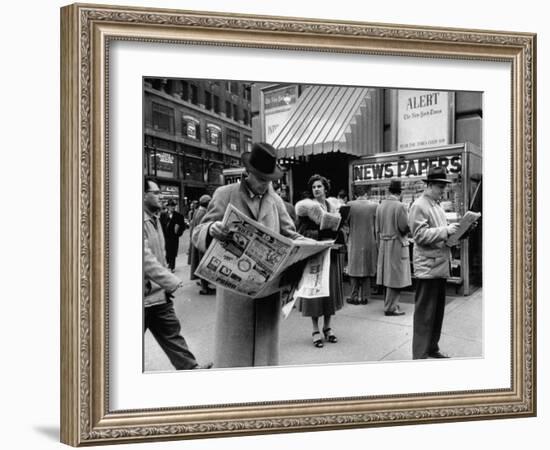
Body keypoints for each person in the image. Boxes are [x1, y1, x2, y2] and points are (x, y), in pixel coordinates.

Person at [192, 143, 301, 368]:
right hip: (235, 292)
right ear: (249, 173)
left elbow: (291, 235)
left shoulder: (276, 200)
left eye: (269, 180)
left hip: (267, 291)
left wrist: (308, 246)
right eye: (261, 180)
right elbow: (198, 231)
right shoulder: (225, 194)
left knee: (264, 359)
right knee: (234, 357)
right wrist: (211, 228)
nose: (265, 186)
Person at [143, 178, 212, 370]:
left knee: (172, 333)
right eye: (155, 193)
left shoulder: (154, 218)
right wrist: (171, 280)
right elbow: (143, 258)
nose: (160, 196)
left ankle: (191, 369)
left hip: (158, 295)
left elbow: (159, 255)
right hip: (143, 297)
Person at [409, 167, 460, 359]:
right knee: (424, 314)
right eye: (439, 187)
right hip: (428, 267)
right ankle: (420, 354)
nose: (442, 191)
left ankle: (431, 347)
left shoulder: (435, 205)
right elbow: (419, 236)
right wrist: (446, 231)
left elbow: (436, 234)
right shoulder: (419, 205)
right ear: (429, 186)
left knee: (436, 313)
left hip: (438, 266)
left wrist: (456, 233)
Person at [295, 174, 344, 348]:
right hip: (315, 253)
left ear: (325, 188)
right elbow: (299, 232)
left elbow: (342, 228)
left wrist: (338, 231)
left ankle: (328, 327)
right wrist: (319, 234)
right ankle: (315, 329)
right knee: (316, 291)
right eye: (314, 187)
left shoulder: (334, 205)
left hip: (331, 252)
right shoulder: (305, 208)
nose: (316, 189)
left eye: (319, 186)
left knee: (329, 290)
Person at [376, 179, 412, 316]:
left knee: (387, 275)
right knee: (396, 276)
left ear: (388, 191)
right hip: (396, 243)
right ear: (400, 192)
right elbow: (404, 227)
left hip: (384, 244)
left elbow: (377, 227)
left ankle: (389, 303)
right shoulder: (401, 206)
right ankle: (391, 307)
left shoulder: (380, 205)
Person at [345, 186, 378, 305]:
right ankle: (364, 297)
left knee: (354, 269)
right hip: (369, 241)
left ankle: (353, 296)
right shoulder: (374, 206)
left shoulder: (349, 205)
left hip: (354, 241)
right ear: (367, 193)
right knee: (367, 268)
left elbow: (343, 222)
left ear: (355, 194)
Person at [189, 194, 215, 295]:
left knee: (201, 263)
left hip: (198, 242)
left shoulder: (198, 211)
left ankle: (204, 284)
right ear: (207, 203)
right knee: (203, 264)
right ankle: (204, 287)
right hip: (202, 243)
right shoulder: (202, 213)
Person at [160, 199, 187, 272]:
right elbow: (160, 226)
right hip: (165, 237)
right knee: (166, 252)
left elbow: (183, 227)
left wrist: (178, 232)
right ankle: (168, 264)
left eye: (174, 206)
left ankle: (172, 267)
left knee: (173, 252)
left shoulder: (179, 216)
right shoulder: (162, 215)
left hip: (174, 238)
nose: (173, 207)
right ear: (167, 207)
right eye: (171, 206)